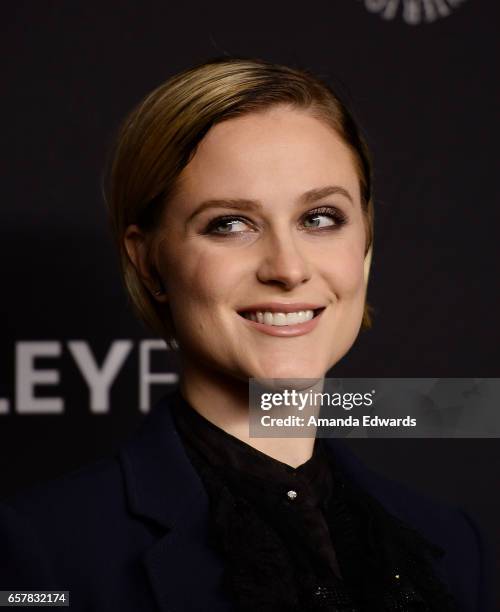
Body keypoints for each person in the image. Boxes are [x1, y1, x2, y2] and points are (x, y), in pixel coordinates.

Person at [0, 57, 494, 611]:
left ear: (367, 248)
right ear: (149, 264)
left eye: (321, 218)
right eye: (229, 223)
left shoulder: (455, 548)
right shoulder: (41, 552)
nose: (287, 268)